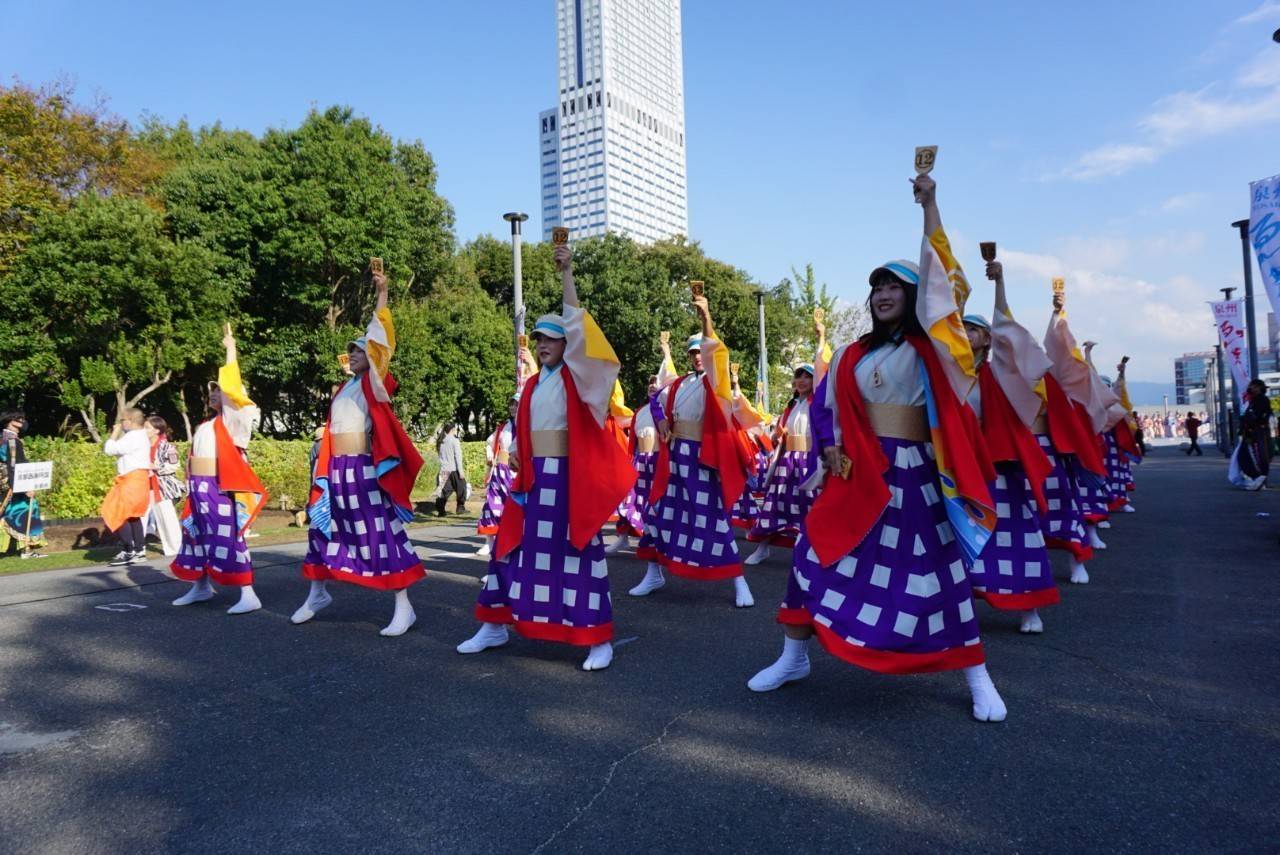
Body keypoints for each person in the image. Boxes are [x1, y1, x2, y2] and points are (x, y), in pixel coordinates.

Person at [748, 171, 1007, 722]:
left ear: (913, 297)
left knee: (937, 573)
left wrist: (930, 207)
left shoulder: (933, 346)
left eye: (895, 287)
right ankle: (794, 657)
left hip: (913, 473)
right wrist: (828, 450)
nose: (883, 295)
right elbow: (825, 410)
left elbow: (944, 290)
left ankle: (977, 675)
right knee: (811, 551)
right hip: (856, 472)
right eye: (877, 288)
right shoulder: (851, 354)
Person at [457, 241, 635, 671]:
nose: (542, 344)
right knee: (508, 547)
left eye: (552, 338)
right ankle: (495, 624)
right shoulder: (534, 385)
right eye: (538, 338)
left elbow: (581, 332)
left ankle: (597, 638)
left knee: (579, 552)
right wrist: (518, 452)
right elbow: (524, 430)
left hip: (570, 478)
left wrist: (567, 274)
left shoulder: (582, 380)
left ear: (567, 344)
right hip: (534, 479)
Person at [292, 268, 426, 636]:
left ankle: (404, 606)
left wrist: (382, 295)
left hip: (365, 469)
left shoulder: (375, 383)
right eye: (350, 349)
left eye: (359, 349)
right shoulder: (342, 389)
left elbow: (381, 343)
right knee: (322, 528)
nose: (353, 354)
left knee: (379, 532)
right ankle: (317, 593)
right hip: (336, 470)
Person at [629, 291, 756, 608]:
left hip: (702, 458)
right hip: (674, 458)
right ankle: (653, 573)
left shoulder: (714, 381)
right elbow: (655, 402)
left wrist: (706, 318)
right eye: (693, 352)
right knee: (659, 513)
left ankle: (738, 579)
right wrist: (661, 421)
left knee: (711, 518)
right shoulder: (679, 383)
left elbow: (717, 356)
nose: (698, 356)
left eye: (701, 351)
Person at [960, 258, 1060, 634]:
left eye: (973, 329)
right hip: (961, 468)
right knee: (961, 538)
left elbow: (1005, 330)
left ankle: (1029, 607)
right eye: (962, 328)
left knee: (1015, 535)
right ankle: (961, 604)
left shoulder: (999, 371)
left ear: (987, 339)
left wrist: (999, 284)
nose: (966, 333)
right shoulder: (951, 375)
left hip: (999, 469)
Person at [170, 324, 266, 613]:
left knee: (228, 536)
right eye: (211, 390)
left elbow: (233, 388)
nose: (213, 393)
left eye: (218, 390)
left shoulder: (234, 422)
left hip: (219, 486)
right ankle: (200, 586)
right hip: (199, 487)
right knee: (195, 535)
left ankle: (248, 593)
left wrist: (231, 350)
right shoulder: (208, 424)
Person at [743, 314, 830, 566]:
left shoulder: (819, 401)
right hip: (787, 461)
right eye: (798, 376)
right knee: (775, 504)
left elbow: (823, 372)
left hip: (809, 461)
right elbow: (778, 436)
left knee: (811, 506)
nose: (801, 380)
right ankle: (763, 547)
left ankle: (816, 552)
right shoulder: (791, 406)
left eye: (807, 376)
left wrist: (821, 338)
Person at [609, 335, 680, 556]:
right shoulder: (639, 412)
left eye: (655, 383)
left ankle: (661, 544)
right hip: (640, 461)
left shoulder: (666, 410)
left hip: (658, 462)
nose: (652, 386)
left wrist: (666, 353)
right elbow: (631, 441)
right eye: (649, 383)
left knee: (657, 505)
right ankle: (623, 537)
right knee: (628, 498)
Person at [101, 408, 155, 566]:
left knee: (117, 512)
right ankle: (139, 550)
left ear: (130, 421)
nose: (120, 423)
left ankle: (129, 550)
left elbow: (109, 449)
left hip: (131, 479)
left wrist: (114, 432)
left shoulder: (133, 436)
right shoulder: (141, 436)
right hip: (138, 478)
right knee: (133, 516)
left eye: (122, 420)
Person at [0, 410, 47, 559]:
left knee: (10, 513)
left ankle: (26, 550)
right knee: (24, 511)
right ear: (9, 420)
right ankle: (27, 550)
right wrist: (24, 488)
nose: (21, 420)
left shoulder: (4, 437)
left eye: (22, 418)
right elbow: (14, 466)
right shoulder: (11, 440)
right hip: (13, 484)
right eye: (17, 418)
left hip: (7, 483)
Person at [476, 396, 518, 556]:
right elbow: (490, 442)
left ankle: (513, 543)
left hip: (517, 472)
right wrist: (489, 455)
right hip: (500, 472)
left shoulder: (528, 425)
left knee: (515, 508)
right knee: (492, 507)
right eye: (511, 404)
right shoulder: (503, 427)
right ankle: (489, 543)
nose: (513, 407)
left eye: (516, 404)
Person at [144, 416, 185, 556]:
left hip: (163, 488)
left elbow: (174, 465)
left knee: (167, 517)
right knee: (143, 518)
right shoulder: (142, 446)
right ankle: (136, 549)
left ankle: (176, 547)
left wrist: (156, 467)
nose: (144, 430)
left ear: (156, 430)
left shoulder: (167, 446)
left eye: (147, 428)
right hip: (145, 486)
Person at [1236, 378, 1272, 490]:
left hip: (1258, 432)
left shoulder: (1262, 399)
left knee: (1258, 456)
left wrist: (1247, 420)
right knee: (1245, 455)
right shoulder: (1252, 400)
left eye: (1253, 386)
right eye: (1251, 386)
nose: (1250, 388)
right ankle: (1258, 478)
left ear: (1259, 388)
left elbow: (1259, 416)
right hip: (1251, 432)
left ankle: (1259, 478)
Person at [436, 423, 467, 516]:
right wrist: (461, 471)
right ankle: (460, 508)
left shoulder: (440, 441)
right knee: (462, 488)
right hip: (454, 470)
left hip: (443, 469)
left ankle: (441, 511)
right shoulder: (454, 441)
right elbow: (458, 457)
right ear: (452, 430)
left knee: (444, 491)